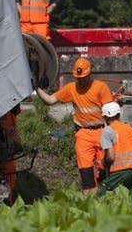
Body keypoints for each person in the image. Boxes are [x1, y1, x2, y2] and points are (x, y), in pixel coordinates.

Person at [35, 57, 115, 196]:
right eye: (79, 77)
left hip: (101, 131)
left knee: (104, 167)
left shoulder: (101, 87)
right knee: (85, 170)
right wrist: (36, 88)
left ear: (90, 74)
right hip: (83, 134)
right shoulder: (71, 88)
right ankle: (88, 200)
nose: (81, 80)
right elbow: (50, 100)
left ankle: (103, 196)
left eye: (83, 77)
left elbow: (110, 113)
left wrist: (111, 133)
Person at [97, 102, 132, 196]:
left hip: (120, 173)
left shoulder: (108, 131)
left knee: (100, 195)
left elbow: (110, 157)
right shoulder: (131, 129)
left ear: (105, 117)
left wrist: (104, 163)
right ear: (119, 115)